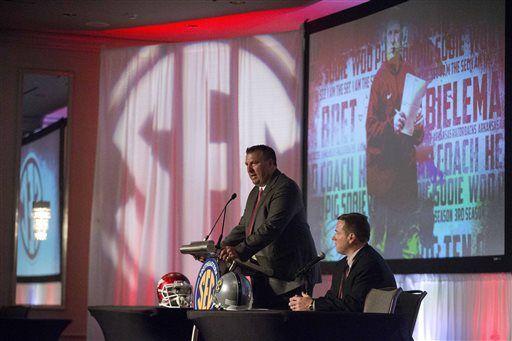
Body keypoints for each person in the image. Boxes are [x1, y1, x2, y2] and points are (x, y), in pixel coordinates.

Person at [219, 145, 321, 309]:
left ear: (271, 164)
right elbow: (244, 226)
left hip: (291, 277)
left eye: (255, 163)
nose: (249, 169)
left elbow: (272, 227)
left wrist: (240, 250)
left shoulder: (285, 188)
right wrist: (220, 249)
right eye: (247, 164)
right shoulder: (255, 192)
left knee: (291, 331)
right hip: (266, 274)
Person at [366, 19, 424, 258]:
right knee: (379, 245)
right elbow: (370, 129)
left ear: (403, 37)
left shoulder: (412, 74)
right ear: (385, 38)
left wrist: (417, 125)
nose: (393, 38)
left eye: (397, 33)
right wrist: (392, 125)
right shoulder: (379, 78)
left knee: (409, 245)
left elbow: (417, 136)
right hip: (383, 177)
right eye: (389, 33)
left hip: (405, 174)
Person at [289, 213, 396, 312]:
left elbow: (354, 305)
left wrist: (313, 304)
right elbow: (333, 298)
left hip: (370, 327)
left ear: (351, 237)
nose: (333, 238)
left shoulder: (369, 264)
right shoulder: (342, 265)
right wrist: (311, 302)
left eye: (337, 233)